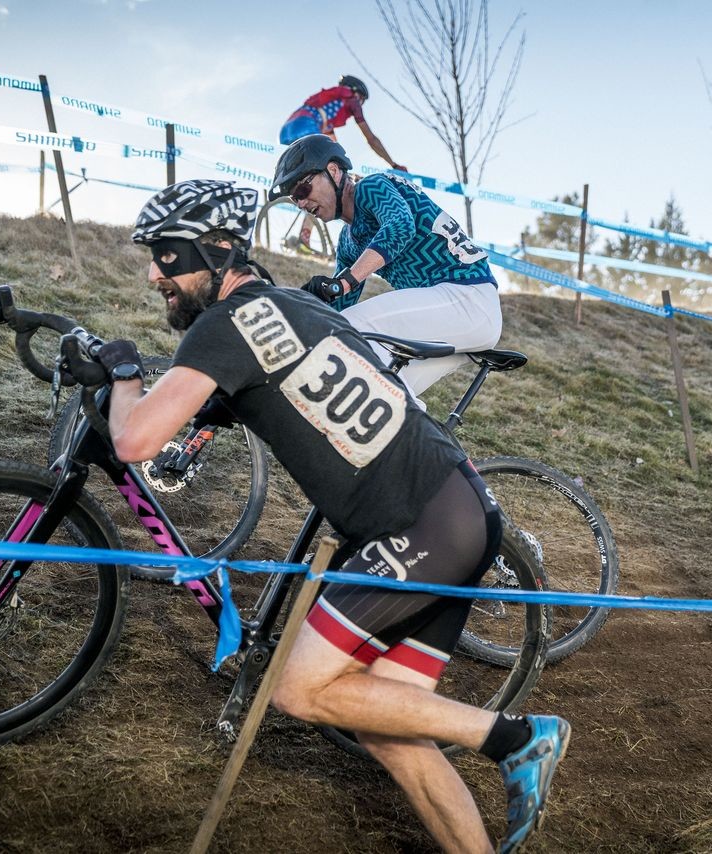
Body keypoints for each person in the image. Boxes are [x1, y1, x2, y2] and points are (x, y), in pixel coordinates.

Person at [98, 178, 568, 853]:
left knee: (297, 688)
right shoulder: (282, 305)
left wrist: (120, 376)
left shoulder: (222, 328)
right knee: (387, 726)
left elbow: (135, 441)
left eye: (168, 257)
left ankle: (517, 738)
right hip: (454, 509)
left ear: (221, 249)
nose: (154, 273)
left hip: (417, 525)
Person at [272, 134, 502, 400]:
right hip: (455, 312)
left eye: (302, 190)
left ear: (333, 171)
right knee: (387, 396)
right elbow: (337, 306)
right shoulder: (348, 241)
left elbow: (400, 227)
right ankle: (420, 442)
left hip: (467, 296)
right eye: (293, 199)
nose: (300, 203)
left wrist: (345, 281)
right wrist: (302, 309)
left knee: (351, 332)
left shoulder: (371, 188)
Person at [279, 75, 407, 253]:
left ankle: (304, 232)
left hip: (290, 127)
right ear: (356, 93)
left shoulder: (329, 107)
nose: (360, 105)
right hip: (306, 124)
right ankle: (304, 238)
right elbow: (371, 139)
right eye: (362, 100)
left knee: (322, 179)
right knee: (326, 188)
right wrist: (393, 164)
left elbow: (334, 150)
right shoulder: (350, 98)